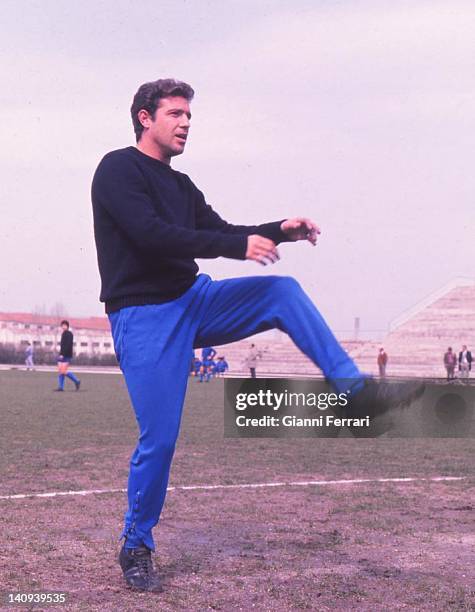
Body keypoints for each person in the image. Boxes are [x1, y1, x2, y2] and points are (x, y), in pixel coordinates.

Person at [91, 78, 424, 592]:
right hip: (144, 316)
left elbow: (222, 230)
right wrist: (236, 246)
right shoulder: (117, 169)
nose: (185, 124)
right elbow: (151, 235)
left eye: (189, 117)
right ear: (144, 117)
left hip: (192, 300)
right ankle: (136, 544)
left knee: (280, 291)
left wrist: (277, 229)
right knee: (159, 440)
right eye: (176, 114)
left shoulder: (182, 185)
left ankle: (358, 393)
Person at [54, 320, 81, 392]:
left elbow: (68, 345)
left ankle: (77, 381)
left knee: (63, 371)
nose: (63, 326)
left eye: (64, 325)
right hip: (61, 355)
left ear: (67, 326)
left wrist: (63, 354)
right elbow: (62, 346)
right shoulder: (63, 334)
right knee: (60, 371)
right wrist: (60, 354)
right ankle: (61, 387)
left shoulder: (69, 334)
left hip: (67, 355)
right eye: (62, 325)